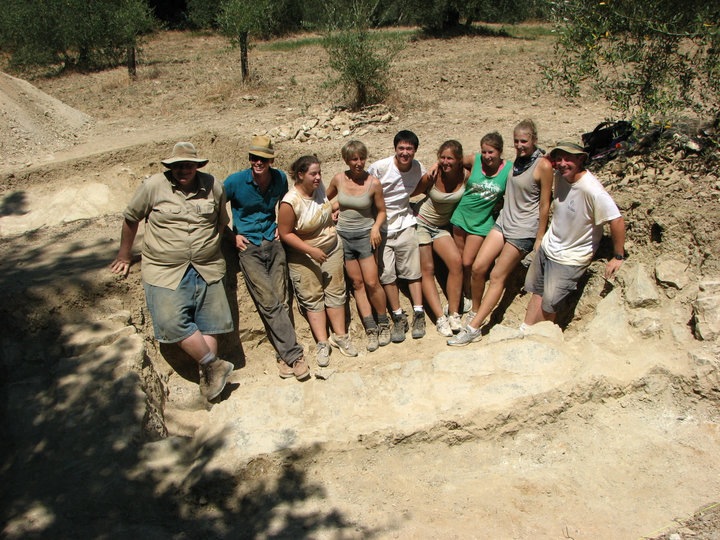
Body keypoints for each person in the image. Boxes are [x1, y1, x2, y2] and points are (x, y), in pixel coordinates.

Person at [110, 142, 234, 402]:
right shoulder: (154, 186)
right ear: (170, 168)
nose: (183, 170)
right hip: (165, 269)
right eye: (177, 166)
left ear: (197, 166)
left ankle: (211, 383)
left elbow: (221, 223)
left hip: (207, 266)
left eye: (188, 165)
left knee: (209, 322)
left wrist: (209, 246)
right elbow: (131, 218)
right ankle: (214, 364)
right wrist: (124, 254)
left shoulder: (214, 186)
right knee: (169, 322)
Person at [449, 119, 553, 346]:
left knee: (497, 276)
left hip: (523, 229)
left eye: (524, 141)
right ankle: (475, 310)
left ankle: (474, 327)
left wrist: (539, 237)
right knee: (477, 267)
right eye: (516, 141)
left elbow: (545, 203)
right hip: (504, 222)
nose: (520, 145)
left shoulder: (543, 165)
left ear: (534, 140)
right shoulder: (517, 162)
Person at [223, 136, 309, 381]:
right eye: (254, 158)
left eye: (262, 158)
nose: (257, 162)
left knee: (282, 299)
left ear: (271, 160)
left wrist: (282, 229)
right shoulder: (235, 182)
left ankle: (283, 356)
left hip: (272, 241)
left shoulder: (280, 178)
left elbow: (285, 204)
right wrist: (232, 237)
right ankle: (293, 356)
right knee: (268, 300)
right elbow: (215, 210)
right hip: (247, 245)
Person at [521, 140, 626, 328]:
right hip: (549, 246)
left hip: (570, 257)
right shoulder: (561, 175)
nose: (562, 163)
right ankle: (525, 330)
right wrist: (551, 159)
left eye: (568, 159)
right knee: (537, 292)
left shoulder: (591, 189)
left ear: (580, 160)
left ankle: (539, 338)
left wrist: (618, 255)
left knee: (550, 303)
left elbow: (616, 220)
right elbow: (545, 161)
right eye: (558, 159)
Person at [278, 155, 358, 367]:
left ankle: (340, 336)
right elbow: (285, 233)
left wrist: (333, 209)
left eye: (319, 173)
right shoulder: (290, 202)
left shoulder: (319, 187)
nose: (318, 177)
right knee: (312, 296)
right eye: (313, 173)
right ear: (300, 175)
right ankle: (323, 343)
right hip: (304, 255)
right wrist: (310, 250)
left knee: (336, 291)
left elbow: (322, 205)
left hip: (332, 248)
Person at [326, 140, 391, 352]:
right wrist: (334, 207)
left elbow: (381, 211)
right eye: (354, 159)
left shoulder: (373, 183)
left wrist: (376, 228)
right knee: (357, 284)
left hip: (365, 235)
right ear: (346, 160)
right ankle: (370, 328)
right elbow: (323, 200)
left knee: (372, 282)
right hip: (344, 236)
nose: (359, 163)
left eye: (362, 158)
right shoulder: (338, 179)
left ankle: (383, 323)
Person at [368, 130, 427, 343]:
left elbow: (425, 184)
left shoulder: (419, 168)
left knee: (413, 272)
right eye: (401, 148)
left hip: (405, 224)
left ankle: (419, 314)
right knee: (387, 276)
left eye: (409, 149)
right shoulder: (380, 168)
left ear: (415, 151)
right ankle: (398, 316)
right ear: (395, 149)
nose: (405, 153)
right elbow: (362, 189)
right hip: (382, 229)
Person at [411, 140, 468, 337]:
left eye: (450, 158)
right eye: (442, 157)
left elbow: (479, 161)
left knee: (456, 262)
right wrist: (428, 174)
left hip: (441, 227)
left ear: (459, 160)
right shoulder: (433, 176)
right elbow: (413, 192)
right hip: (421, 223)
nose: (445, 162)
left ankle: (454, 313)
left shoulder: (466, 175)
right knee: (427, 269)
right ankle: (439, 318)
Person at [450, 132, 511, 312]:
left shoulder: (508, 170)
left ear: (500, 152)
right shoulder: (475, 160)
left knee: (469, 261)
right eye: (484, 152)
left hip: (482, 221)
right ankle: (460, 294)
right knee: (460, 262)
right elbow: (454, 160)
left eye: (491, 152)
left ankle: (469, 292)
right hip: (461, 216)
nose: (486, 156)